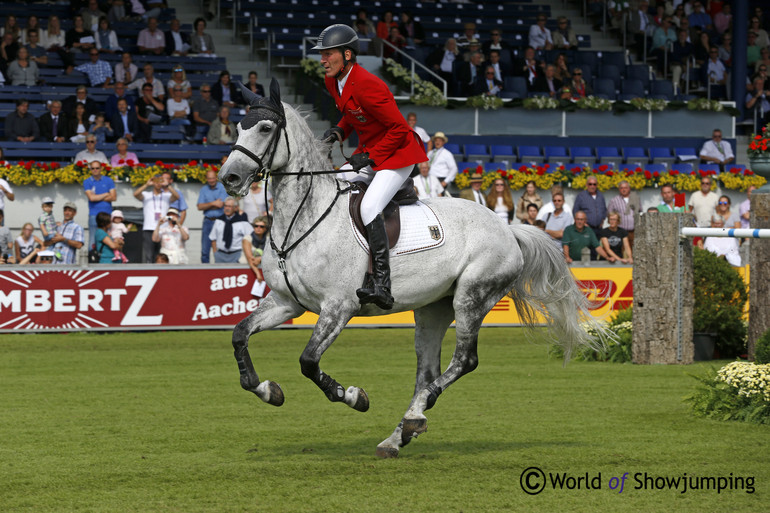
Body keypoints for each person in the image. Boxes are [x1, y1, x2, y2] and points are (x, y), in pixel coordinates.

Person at [315, 24, 427, 309]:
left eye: (328, 54)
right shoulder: (333, 81)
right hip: (373, 151)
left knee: (368, 207)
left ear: (348, 55)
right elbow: (353, 115)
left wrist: (372, 157)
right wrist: (340, 130)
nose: (322, 60)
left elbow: (400, 129)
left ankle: (381, 282)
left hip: (398, 154)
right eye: (322, 54)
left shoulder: (368, 84)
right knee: (336, 183)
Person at [134, 173, 180, 263]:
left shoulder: (166, 195)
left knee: (162, 254)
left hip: (163, 228)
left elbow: (176, 196)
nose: (158, 183)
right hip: (149, 228)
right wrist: (147, 184)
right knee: (149, 255)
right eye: (156, 181)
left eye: (160, 181)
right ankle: (149, 273)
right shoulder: (146, 194)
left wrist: (167, 185)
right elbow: (136, 194)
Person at [197, 169, 229, 263]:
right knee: (205, 249)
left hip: (221, 221)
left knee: (220, 248)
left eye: (213, 178)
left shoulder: (222, 188)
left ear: (216, 178)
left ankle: (219, 270)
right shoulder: (204, 189)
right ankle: (204, 271)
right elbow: (199, 206)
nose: (211, 180)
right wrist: (214, 203)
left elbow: (221, 204)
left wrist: (207, 205)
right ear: (206, 179)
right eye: (209, 178)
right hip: (208, 221)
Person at [83, 159, 116, 246]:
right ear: (90, 169)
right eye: (93, 168)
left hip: (107, 214)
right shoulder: (87, 181)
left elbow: (113, 197)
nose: (95, 170)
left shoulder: (109, 180)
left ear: (101, 168)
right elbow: (91, 198)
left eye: (97, 168)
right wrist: (106, 194)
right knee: (92, 240)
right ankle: (92, 258)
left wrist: (96, 196)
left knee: (109, 239)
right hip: (94, 214)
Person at [210, 198, 251, 263]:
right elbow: (213, 238)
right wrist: (215, 253)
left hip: (237, 255)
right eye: (225, 206)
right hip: (220, 255)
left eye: (229, 206)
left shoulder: (242, 222)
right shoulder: (219, 220)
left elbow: (250, 238)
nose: (226, 208)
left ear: (236, 208)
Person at [606, 180, 641, 247]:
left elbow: (640, 212)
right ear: (619, 189)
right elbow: (609, 214)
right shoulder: (614, 200)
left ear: (629, 188)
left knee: (634, 250)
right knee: (622, 251)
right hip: (620, 232)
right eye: (621, 188)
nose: (623, 190)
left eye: (625, 188)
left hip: (633, 231)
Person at [572, 176, 607, 240]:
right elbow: (575, 211)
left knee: (597, 248)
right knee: (586, 249)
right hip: (585, 228)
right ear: (587, 185)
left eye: (594, 184)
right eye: (590, 184)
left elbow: (604, 209)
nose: (592, 186)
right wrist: (583, 223)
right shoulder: (581, 196)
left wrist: (602, 220)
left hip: (598, 229)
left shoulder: (600, 196)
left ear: (597, 185)